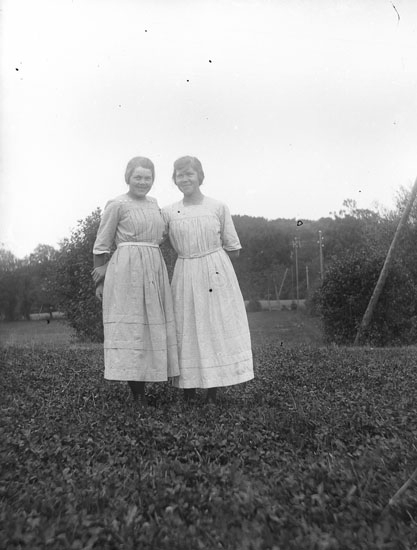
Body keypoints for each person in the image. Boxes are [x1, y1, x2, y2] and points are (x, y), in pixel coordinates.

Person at [162, 156, 254, 403]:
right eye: (180, 175)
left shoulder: (217, 207)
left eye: (189, 174)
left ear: (199, 176)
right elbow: (155, 237)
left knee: (213, 326)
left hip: (215, 273)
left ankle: (213, 392)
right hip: (185, 272)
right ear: (175, 179)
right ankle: (188, 392)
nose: (185, 179)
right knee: (186, 327)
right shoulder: (169, 212)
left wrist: (212, 264)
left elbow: (233, 248)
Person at [92, 156, 179, 406]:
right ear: (128, 178)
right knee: (131, 329)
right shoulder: (117, 204)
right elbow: (101, 244)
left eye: (147, 178)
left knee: (151, 327)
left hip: (153, 268)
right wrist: (100, 278)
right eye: (137, 177)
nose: (142, 182)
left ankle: (150, 379)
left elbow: (161, 236)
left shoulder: (154, 204)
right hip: (126, 271)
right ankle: (138, 394)